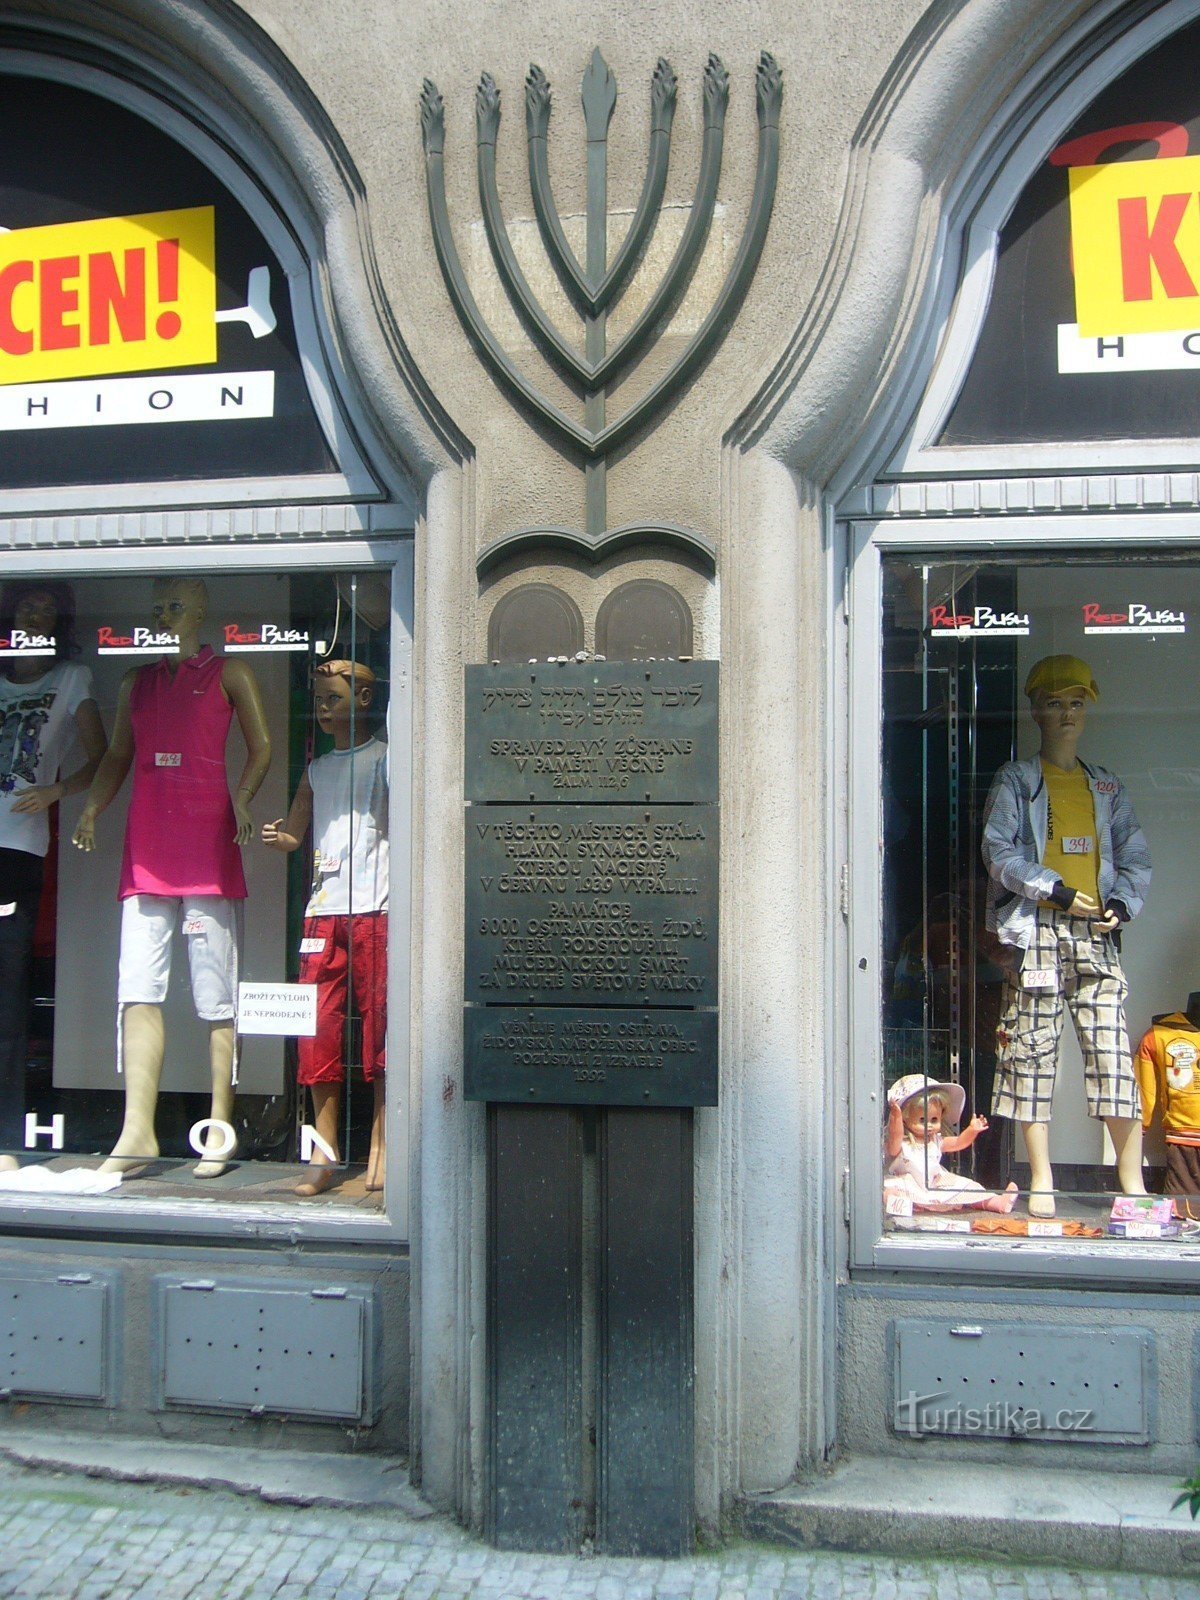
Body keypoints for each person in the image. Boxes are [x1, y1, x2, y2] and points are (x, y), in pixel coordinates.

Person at [73, 577, 270, 1177]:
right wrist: (90, 808)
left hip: (208, 843)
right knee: (138, 983)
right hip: (147, 845)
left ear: (202, 610)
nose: (164, 616)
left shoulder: (230, 674)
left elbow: (260, 746)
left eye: (175, 606)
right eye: (157, 607)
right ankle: (138, 1129)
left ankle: (219, 1126)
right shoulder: (137, 680)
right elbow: (116, 756)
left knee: (216, 986)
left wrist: (242, 797)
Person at [981, 654, 1151, 1217]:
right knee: (1032, 1050)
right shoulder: (1018, 780)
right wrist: (1049, 888)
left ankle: (1133, 1183)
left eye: (1076, 703)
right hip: (1036, 932)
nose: (1067, 714)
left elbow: (1133, 855)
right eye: (1055, 703)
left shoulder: (1104, 785)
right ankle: (1043, 1179)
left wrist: (1122, 904)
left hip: (1095, 933)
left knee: (1112, 1054)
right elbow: (997, 850)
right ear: (1035, 709)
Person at [262, 660, 387, 1196]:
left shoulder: (387, 760)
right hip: (322, 909)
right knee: (317, 1029)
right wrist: (282, 839)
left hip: (377, 907)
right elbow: (295, 831)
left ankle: (384, 1138)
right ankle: (325, 1148)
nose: (323, 707)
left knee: (381, 1026)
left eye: (332, 697)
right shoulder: (317, 770)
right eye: (319, 698)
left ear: (363, 700)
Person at [0, 581, 107, 1155]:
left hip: (16, 845)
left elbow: (104, 752)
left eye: (46, 608)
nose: (34, 615)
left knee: (8, 989)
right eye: (26, 604)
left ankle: (6, 1135)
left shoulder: (70, 680)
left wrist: (57, 791)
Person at [884, 1073, 1018, 1213]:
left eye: (934, 1120)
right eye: (922, 1120)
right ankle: (902, 1207)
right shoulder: (902, 1143)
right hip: (908, 1184)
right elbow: (895, 1137)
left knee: (968, 1186)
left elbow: (958, 1143)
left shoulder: (936, 1140)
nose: (929, 1125)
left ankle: (996, 1203)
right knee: (890, 1191)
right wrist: (896, 1117)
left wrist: (972, 1131)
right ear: (904, 1119)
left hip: (934, 1185)